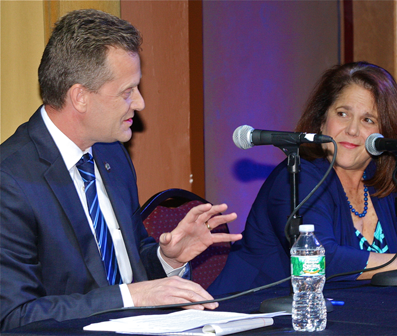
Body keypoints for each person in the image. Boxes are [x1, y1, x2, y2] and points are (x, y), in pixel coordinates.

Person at [0, 9, 241, 331]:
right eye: (127, 92)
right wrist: (129, 297)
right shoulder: (10, 179)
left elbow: (127, 266)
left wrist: (167, 258)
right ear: (80, 97)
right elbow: (16, 315)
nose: (140, 103)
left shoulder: (111, 151)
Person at [208, 62, 397, 295]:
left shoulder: (390, 180)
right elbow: (322, 260)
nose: (352, 130)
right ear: (322, 121)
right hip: (253, 315)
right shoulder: (296, 178)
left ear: (385, 133)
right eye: (342, 114)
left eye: (368, 120)